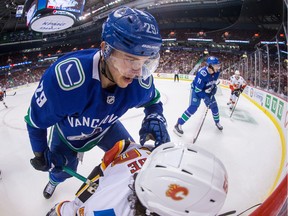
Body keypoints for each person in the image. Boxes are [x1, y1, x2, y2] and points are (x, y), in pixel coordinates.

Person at [24, 6, 170, 199]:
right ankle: (54, 181)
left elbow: (153, 101)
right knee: (62, 171)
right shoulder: (64, 81)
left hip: (106, 127)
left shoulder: (139, 81)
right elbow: (35, 122)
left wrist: (155, 115)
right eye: (131, 59)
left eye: (145, 62)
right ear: (105, 49)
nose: (137, 71)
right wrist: (41, 155)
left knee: (131, 160)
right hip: (68, 136)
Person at [46, 140, 228, 216]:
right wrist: (62, 210)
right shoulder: (106, 209)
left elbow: (132, 147)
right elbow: (79, 210)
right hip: (101, 186)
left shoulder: (151, 157)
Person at [174, 56, 223, 136]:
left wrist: (214, 88)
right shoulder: (202, 73)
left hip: (207, 90)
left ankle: (217, 122)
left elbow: (213, 82)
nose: (218, 67)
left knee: (214, 106)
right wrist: (205, 98)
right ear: (210, 66)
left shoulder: (217, 72)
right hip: (196, 90)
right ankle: (178, 124)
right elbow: (197, 90)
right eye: (216, 65)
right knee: (193, 107)